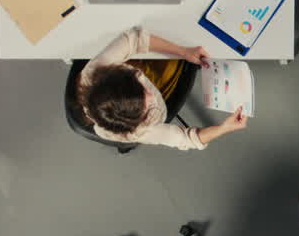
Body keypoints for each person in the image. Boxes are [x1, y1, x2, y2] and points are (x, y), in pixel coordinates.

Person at [74, 26, 247, 150]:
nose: (150, 95)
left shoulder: (92, 73)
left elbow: (134, 39)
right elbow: (187, 139)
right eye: (146, 106)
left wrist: (184, 51)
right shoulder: (140, 131)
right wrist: (224, 128)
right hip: (162, 94)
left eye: (141, 90)